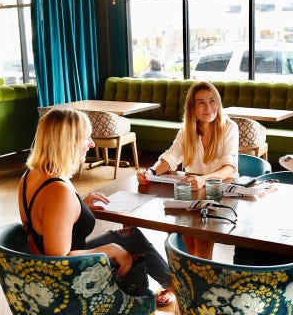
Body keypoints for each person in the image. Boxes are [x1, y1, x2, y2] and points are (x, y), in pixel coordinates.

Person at [18, 108, 175, 305]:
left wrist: (79, 207)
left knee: (132, 237)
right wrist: (109, 250)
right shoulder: (58, 192)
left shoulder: (31, 175)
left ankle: (174, 287)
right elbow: (57, 260)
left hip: (43, 269)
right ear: (69, 142)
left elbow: (45, 218)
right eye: (86, 138)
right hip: (67, 281)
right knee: (122, 245)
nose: (92, 144)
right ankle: (176, 294)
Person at [136, 80, 238, 259]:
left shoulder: (229, 127)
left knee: (202, 235)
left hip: (220, 189)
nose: (208, 107)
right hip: (191, 189)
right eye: (201, 102)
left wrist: (203, 179)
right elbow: (171, 157)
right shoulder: (186, 130)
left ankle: (201, 275)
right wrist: (150, 172)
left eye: (212, 101)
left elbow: (229, 169)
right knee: (181, 230)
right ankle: (192, 276)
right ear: (192, 107)